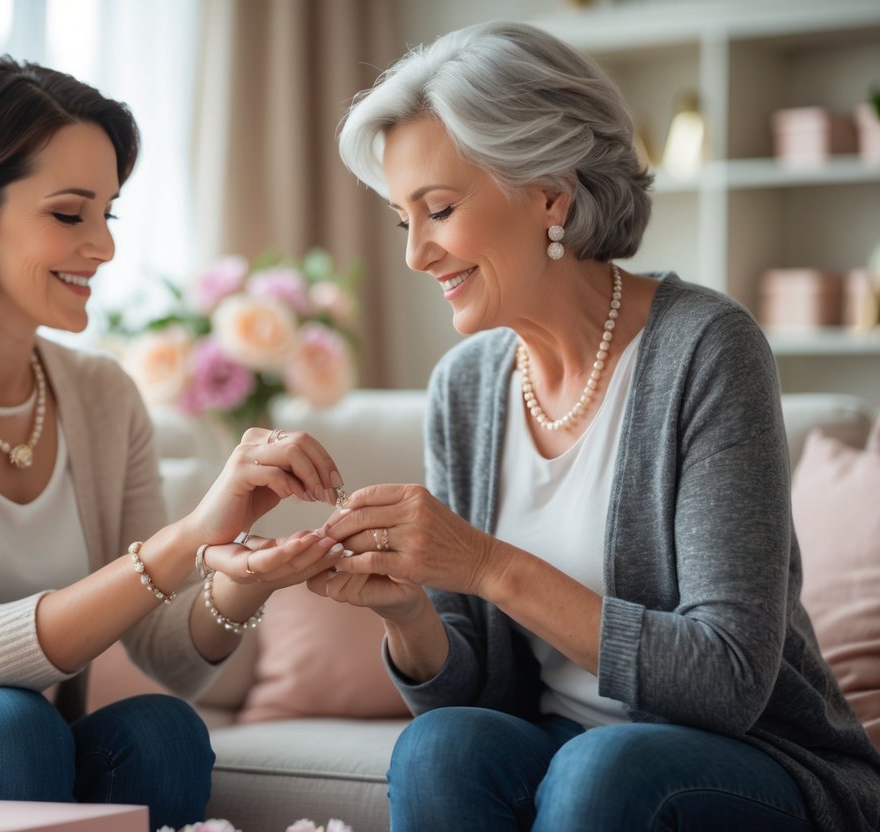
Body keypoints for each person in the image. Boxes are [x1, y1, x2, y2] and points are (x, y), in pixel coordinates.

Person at [314, 20, 880, 831]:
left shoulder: (705, 349)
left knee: (602, 768)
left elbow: (725, 679)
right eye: (406, 221)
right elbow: (482, 692)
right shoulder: (466, 387)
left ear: (550, 190)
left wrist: (486, 565)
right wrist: (406, 610)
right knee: (440, 746)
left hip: (750, 761)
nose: (417, 255)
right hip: (563, 746)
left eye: (438, 209)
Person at [0, 56, 348, 829]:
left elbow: (169, 656)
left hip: (26, 750)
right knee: (9, 720)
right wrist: (186, 538)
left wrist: (246, 570)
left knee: (163, 730)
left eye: (108, 215)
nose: (103, 247)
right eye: (68, 214)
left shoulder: (99, 394)